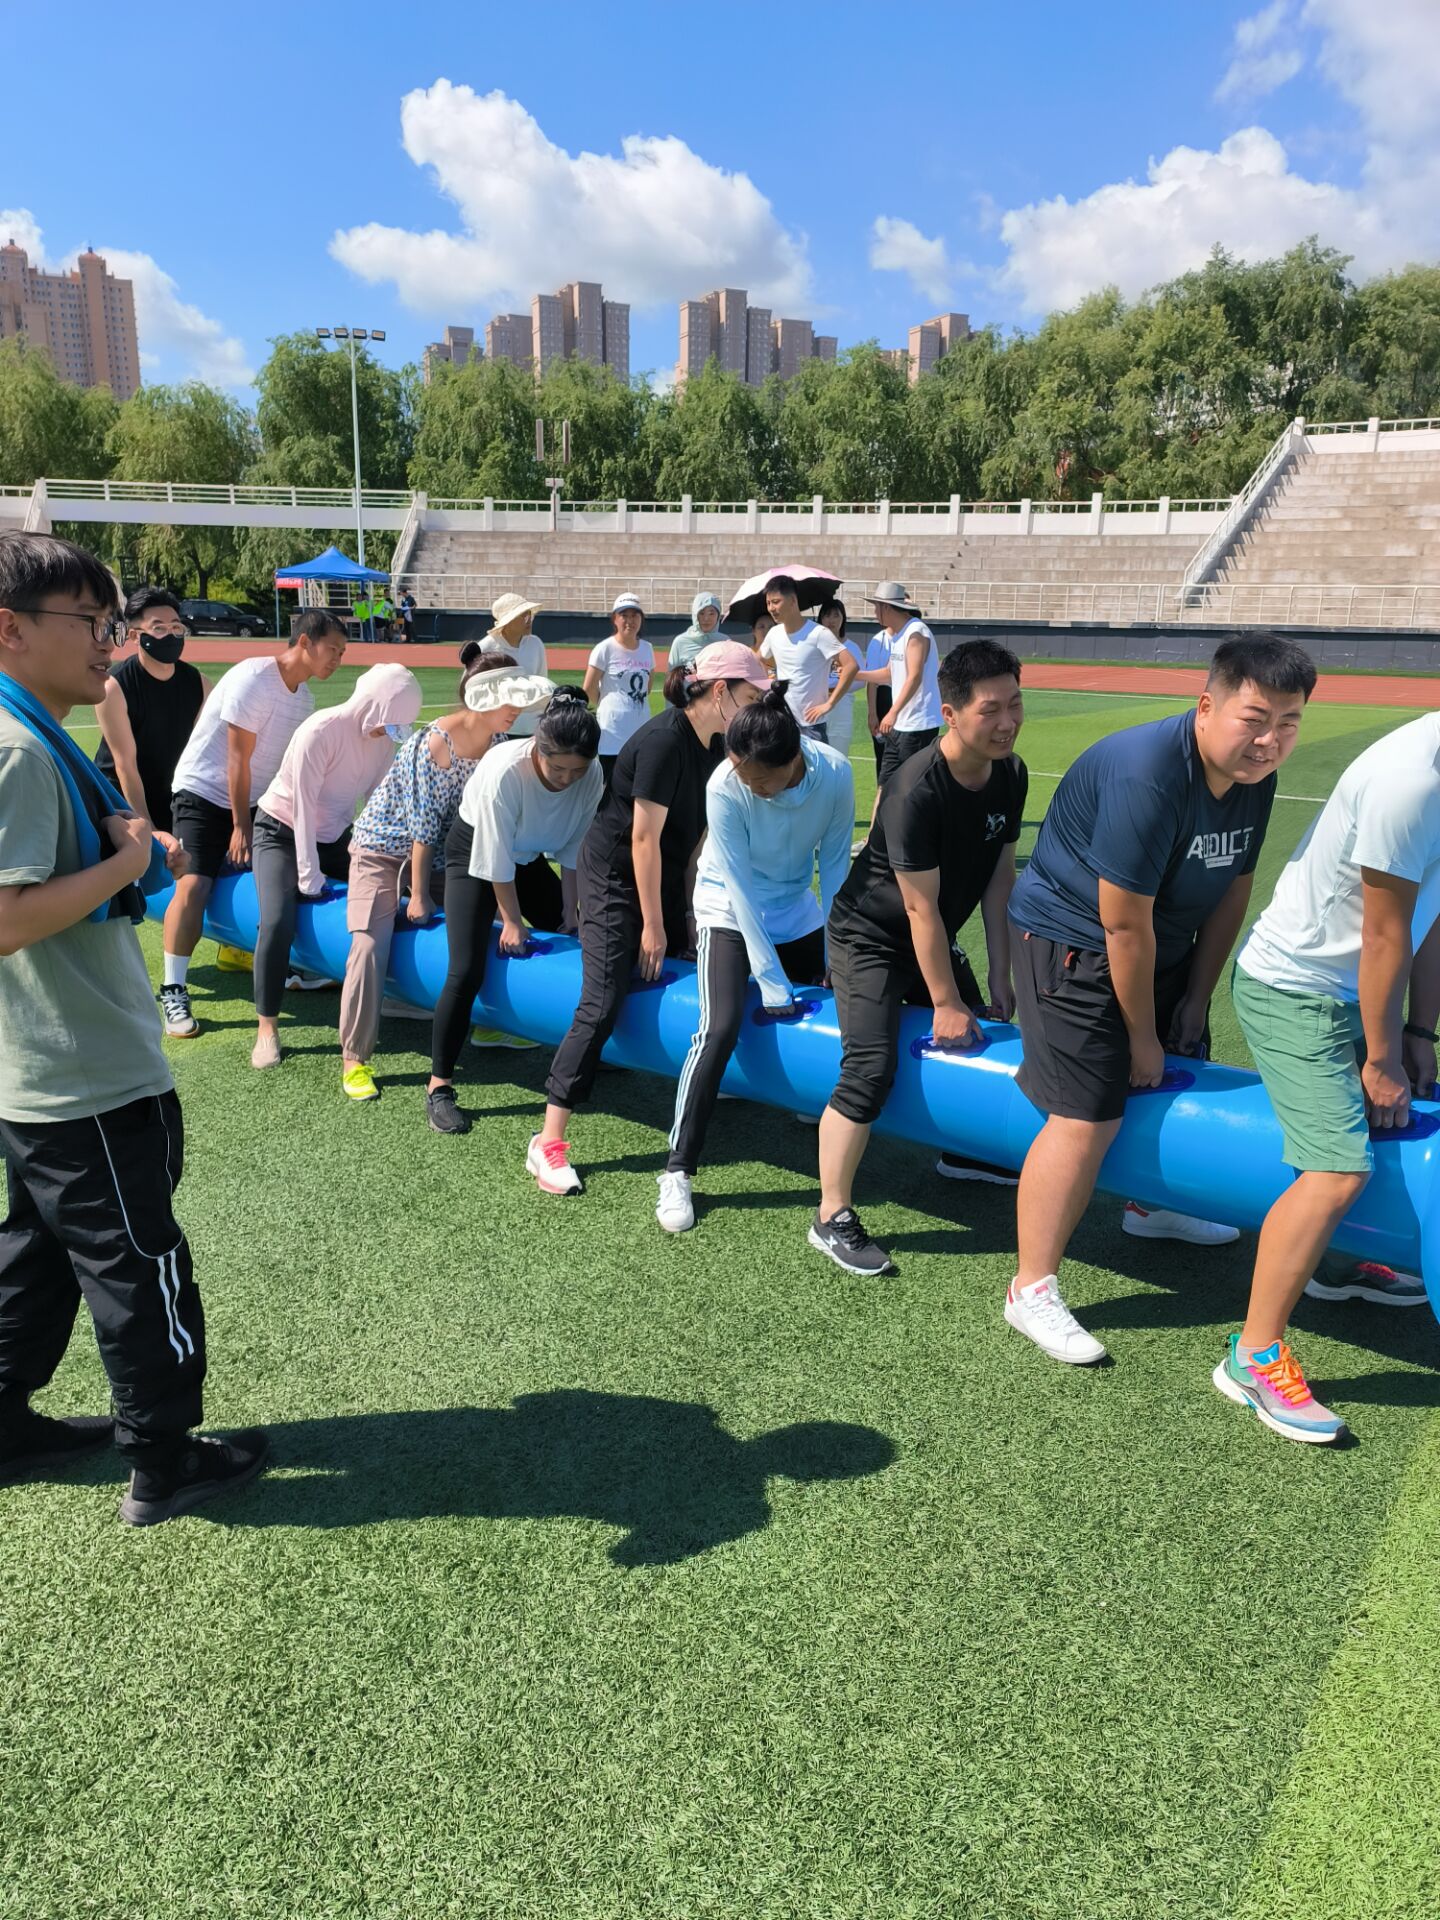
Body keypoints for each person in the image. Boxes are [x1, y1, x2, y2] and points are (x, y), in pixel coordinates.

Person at [0, 530, 267, 1525]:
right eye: (89, 622)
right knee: (138, 1262)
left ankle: (3, 1421)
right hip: (81, 1071)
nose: (107, 643)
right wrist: (124, 862)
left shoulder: (27, 730)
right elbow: (6, 919)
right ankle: (164, 1457)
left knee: (37, 1253)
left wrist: (126, 848)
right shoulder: (18, 748)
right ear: (10, 629)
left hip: (40, 1068)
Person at [1005, 634, 1316, 1366]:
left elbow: (1235, 888)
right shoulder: (1147, 773)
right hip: (1074, 938)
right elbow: (1121, 923)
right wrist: (1141, 1037)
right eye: (1255, 719)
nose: (1270, 740)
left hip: (1160, 937)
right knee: (1087, 1113)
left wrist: (1197, 999)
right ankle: (1030, 1286)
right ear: (1207, 706)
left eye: (1289, 723)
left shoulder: (1254, 774)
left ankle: (1152, 1205)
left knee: (1182, 1066)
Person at [1219, 715, 1440, 1443]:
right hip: (1296, 987)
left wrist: (1418, 1034)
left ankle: (1337, 1264)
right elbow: (1383, 933)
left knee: (1397, 1122)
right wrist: (1381, 1060)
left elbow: (1433, 919)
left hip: (1355, 987)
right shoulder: (1411, 780)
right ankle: (1252, 1356)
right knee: (1337, 1168)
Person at [810, 641, 1028, 1275]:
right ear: (950, 714)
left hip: (929, 931)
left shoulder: (1010, 773)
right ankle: (830, 1214)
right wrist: (944, 1000)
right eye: (991, 710)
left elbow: (1000, 881)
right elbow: (918, 909)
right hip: (869, 935)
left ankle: (962, 1151)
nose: (1007, 722)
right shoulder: (914, 788)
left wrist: (1000, 974)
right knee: (870, 1066)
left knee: (985, 1029)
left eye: (1016, 705)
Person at [532, 643, 768, 1195]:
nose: (757, 708)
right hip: (614, 872)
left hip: (662, 871)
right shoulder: (665, 741)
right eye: (752, 696)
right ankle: (548, 1140)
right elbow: (642, 840)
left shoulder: (718, 747)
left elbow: (691, 848)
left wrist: (685, 915)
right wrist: (654, 926)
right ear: (720, 692)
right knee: (602, 997)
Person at [659, 689, 854, 1233]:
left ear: (794, 758)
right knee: (719, 1027)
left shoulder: (834, 774)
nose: (752, 787)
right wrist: (768, 978)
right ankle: (678, 1169)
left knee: (842, 996)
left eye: (762, 780)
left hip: (794, 906)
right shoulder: (725, 784)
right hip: (726, 903)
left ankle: (807, 1092)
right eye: (745, 777)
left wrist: (837, 950)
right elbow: (739, 886)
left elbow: (836, 866)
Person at [338, 643, 516, 1102]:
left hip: (445, 857)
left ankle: (489, 1022)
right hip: (382, 851)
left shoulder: (499, 745)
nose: (517, 706)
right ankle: (354, 1058)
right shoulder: (435, 742)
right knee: (368, 943)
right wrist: (418, 895)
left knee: (487, 926)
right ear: (481, 696)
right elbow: (422, 828)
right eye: (508, 696)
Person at [427, 687, 606, 1136]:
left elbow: (574, 849)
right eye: (557, 768)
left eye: (576, 770)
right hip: (473, 853)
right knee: (466, 968)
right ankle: (439, 1085)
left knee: (584, 941)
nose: (567, 779)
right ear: (538, 750)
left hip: (526, 857)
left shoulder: (592, 774)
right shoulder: (506, 769)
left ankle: (590, 1047)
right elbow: (494, 858)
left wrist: (572, 913)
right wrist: (510, 921)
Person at [160, 610, 347, 1038]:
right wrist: (241, 826)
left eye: (342, 652)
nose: (338, 659)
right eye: (333, 649)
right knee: (195, 885)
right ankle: (173, 989)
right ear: (305, 642)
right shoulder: (254, 677)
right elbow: (236, 758)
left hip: (253, 802)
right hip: (203, 794)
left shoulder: (304, 700)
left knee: (291, 875)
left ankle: (276, 958)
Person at [248, 664, 423, 1071]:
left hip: (335, 838)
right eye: (387, 722)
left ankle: (397, 993)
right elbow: (303, 807)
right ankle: (267, 1026)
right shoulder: (319, 731)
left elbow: (377, 802)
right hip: (280, 832)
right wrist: (308, 876)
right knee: (276, 920)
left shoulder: (382, 741)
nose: (387, 732)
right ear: (372, 705)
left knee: (388, 899)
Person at [94, 587, 209, 835]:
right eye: (159, 628)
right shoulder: (114, 686)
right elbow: (125, 765)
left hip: (172, 795)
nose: (170, 634)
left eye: (176, 627)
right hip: (119, 802)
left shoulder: (200, 684)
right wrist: (147, 826)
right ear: (135, 636)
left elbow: (201, 756)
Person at [855, 582, 943, 794]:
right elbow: (890, 673)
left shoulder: (915, 632)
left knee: (911, 787)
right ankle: (880, 818)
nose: (874, 613)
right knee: (885, 782)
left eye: (876, 607)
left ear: (886, 607)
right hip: (902, 725)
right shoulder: (898, 635)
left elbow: (914, 676)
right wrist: (854, 674)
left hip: (917, 724)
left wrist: (892, 712)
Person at [758, 575, 856, 743]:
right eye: (768, 603)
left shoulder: (819, 634)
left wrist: (829, 704)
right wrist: (768, 679)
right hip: (782, 722)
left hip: (812, 725)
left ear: (793, 601)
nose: (771, 608)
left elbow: (851, 665)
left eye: (775, 602)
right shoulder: (774, 634)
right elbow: (758, 659)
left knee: (817, 762)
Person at [585, 592, 655, 784]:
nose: (630, 621)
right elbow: (589, 688)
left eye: (635, 615)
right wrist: (609, 705)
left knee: (639, 785)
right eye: (624, 615)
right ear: (615, 619)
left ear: (641, 619)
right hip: (612, 733)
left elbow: (648, 687)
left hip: (641, 729)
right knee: (611, 787)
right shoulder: (604, 649)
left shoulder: (647, 648)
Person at [486, 592, 548, 741]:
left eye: (530, 615)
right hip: (499, 732)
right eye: (524, 616)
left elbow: (542, 684)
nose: (529, 620)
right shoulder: (486, 648)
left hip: (533, 730)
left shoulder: (536, 644)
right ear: (508, 621)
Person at [815, 598, 864, 767]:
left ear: (843, 618)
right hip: (815, 706)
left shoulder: (852, 648)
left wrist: (837, 688)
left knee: (839, 757)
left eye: (836, 615)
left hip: (841, 708)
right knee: (816, 758)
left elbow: (861, 681)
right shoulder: (813, 646)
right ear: (820, 618)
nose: (831, 620)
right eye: (827, 615)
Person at [865, 627, 894, 782]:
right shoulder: (879, 641)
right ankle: (883, 793)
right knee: (884, 758)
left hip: (908, 705)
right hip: (884, 700)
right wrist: (872, 713)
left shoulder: (914, 637)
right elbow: (872, 681)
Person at [668, 592, 723, 672]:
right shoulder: (680, 642)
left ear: (718, 616)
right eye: (701, 613)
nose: (706, 618)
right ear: (695, 615)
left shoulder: (725, 642)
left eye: (711, 614)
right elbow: (672, 675)